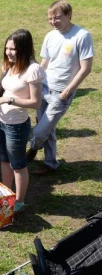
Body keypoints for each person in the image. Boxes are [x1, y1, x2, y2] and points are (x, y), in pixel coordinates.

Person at [27, 0, 94, 176]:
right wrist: (36, 81)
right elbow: (45, 63)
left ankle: (32, 148)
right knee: (48, 129)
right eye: (50, 18)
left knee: (42, 130)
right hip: (44, 87)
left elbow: (85, 68)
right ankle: (50, 164)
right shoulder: (50, 36)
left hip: (61, 93)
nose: (53, 21)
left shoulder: (82, 36)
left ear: (69, 14)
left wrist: (68, 90)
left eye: (56, 17)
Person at [0, 29, 44, 213]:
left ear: (24, 49)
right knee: (4, 160)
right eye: (7, 48)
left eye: (13, 49)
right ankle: (6, 194)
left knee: (17, 164)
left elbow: (35, 103)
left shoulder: (33, 70)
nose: (8, 52)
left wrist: (7, 99)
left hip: (16, 126)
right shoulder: (9, 65)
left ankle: (19, 202)